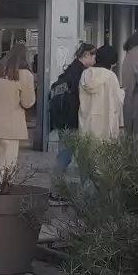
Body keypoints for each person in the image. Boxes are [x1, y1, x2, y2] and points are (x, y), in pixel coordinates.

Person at [0, 43, 36, 183]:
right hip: (10, 128)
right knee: (5, 169)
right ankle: (1, 199)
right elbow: (28, 102)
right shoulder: (25, 75)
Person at [49, 43, 95, 179]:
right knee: (66, 155)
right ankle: (56, 188)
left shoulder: (69, 71)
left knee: (66, 153)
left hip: (63, 120)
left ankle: (57, 187)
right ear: (86, 55)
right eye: (93, 57)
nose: (94, 61)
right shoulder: (80, 73)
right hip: (73, 120)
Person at [79, 45, 123, 140]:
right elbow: (117, 101)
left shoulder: (85, 74)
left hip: (86, 122)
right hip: (105, 124)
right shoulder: (111, 76)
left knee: (86, 152)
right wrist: (122, 92)